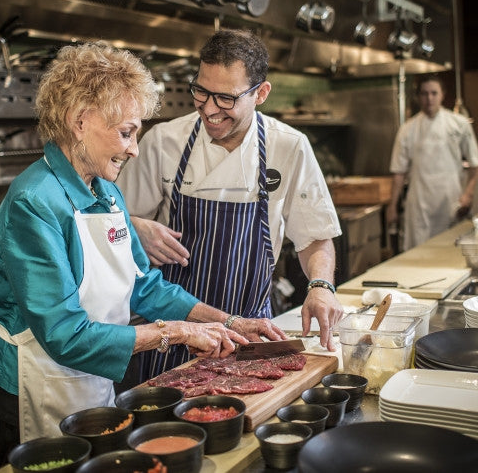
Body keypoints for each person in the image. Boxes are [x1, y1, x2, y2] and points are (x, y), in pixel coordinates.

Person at [0, 41, 286, 469]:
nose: (135, 149)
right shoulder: (34, 203)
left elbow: (143, 285)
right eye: (126, 132)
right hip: (31, 382)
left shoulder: (105, 191)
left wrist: (227, 320)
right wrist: (174, 333)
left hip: (91, 376)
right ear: (79, 122)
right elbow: (64, 334)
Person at [118, 29, 343, 381]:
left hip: (250, 336)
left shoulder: (290, 147)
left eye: (225, 98)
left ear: (261, 93)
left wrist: (321, 287)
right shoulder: (164, 142)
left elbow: (314, 236)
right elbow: (111, 225)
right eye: (201, 91)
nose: (209, 109)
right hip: (174, 334)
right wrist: (134, 226)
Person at [386, 74, 478, 251]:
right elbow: (399, 171)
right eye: (424, 94)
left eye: (434, 93)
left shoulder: (459, 124)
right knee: (418, 254)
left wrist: (468, 194)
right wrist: (392, 206)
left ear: (442, 95)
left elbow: (475, 165)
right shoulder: (407, 129)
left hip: (451, 201)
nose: (429, 98)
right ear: (418, 96)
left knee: (451, 253)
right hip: (419, 205)